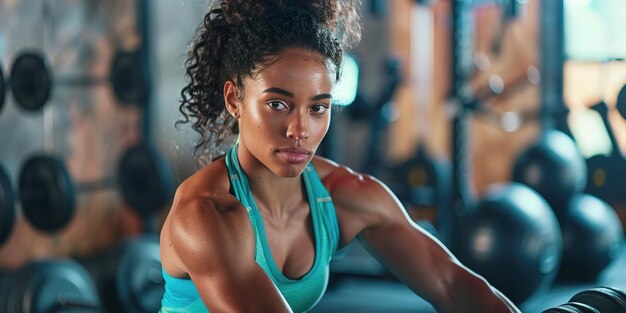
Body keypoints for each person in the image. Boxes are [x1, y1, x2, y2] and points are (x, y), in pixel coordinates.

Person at [159, 0, 521, 312]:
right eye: (278, 104)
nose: (299, 130)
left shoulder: (345, 195)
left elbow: (452, 287)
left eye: (318, 108)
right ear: (234, 99)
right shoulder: (206, 214)